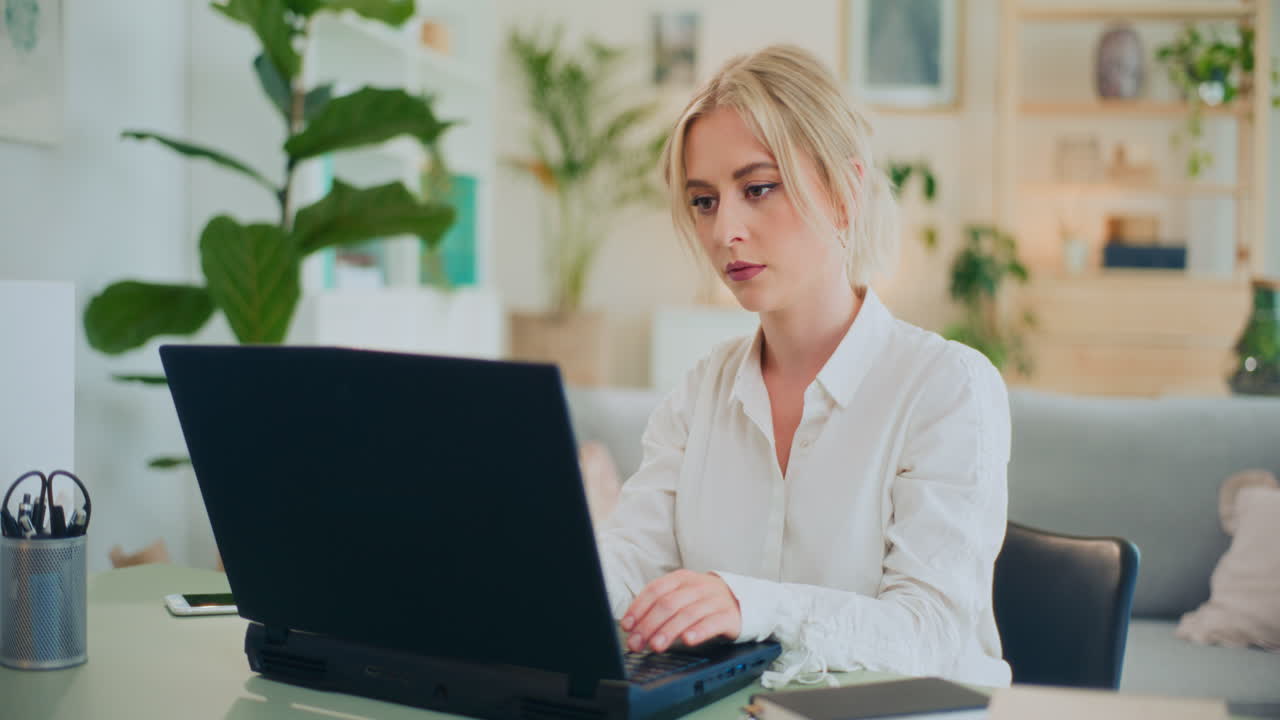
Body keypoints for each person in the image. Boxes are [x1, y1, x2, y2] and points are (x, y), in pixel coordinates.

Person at [595, 45, 1012, 689]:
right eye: (704, 201)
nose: (724, 230)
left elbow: (931, 632)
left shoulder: (946, 387)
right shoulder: (701, 391)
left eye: (757, 189)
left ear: (844, 191)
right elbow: (630, 562)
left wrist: (749, 604)